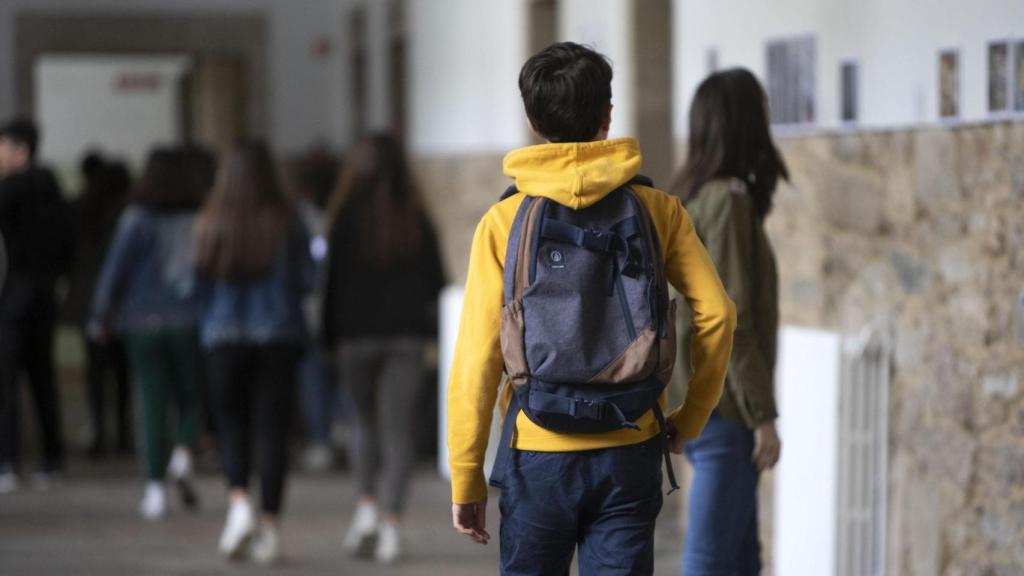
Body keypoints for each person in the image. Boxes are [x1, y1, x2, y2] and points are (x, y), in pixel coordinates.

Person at [447, 42, 736, 575]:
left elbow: (476, 359)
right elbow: (718, 313)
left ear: (533, 121)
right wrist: (689, 418)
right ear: (607, 115)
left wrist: (467, 474)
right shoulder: (658, 209)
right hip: (631, 445)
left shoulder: (504, 221)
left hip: (537, 448)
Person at [671, 68, 786, 576]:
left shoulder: (695, 197)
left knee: (742, 560)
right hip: (726, 411)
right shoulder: (730, 200)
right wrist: (763, 414)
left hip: (699, 404)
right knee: (712, 560)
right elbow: (730, 318)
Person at [323, 133, 445, 564]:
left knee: (363, 424)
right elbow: (437, 280)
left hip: (354, 340)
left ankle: (365, 510)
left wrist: (327, 340)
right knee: (398, 434)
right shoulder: (416, 218)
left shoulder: (343, 220)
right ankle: (392, 525)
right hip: (406, 340)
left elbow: (330, 287)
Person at [195, 141, 312, 565]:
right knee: (271, 432)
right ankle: (271, 529)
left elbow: (197, 286)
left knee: (231, 426)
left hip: (222, 340)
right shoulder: (287, 219)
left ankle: (239, 505)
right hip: (278, 338)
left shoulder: (210, 219)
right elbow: (306, 280)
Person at [90, 148, 204, 520]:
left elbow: (114, 271)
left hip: (142, 323)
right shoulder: (199, 217)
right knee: (193, 397)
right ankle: (184, 454)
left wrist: (100, 315)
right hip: (189, 319)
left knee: (152, 404)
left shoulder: (136, 218)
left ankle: (154, 490)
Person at [0, 118, 74, 493]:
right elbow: (68, 241)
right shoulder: (54, 188)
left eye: (3, 147)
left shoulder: (11, 188)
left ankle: (8, 462)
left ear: (21, 150)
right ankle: (51, 460)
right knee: (43, 377)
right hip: (46, 292)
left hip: (15, 292)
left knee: (7, 379)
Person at [66, 153, 133, 458]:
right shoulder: (126, 212)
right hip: (123, 300)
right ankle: (121, 435)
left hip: (89, 299)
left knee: (96, 371)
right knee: (121, 372)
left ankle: (100, 434)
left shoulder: (80, 207)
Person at [292, 149, 345, 473]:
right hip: (344, 309)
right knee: (341, 377)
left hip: (310, 308)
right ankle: (341, 427)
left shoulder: (299, 217)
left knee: (313, 375)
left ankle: (322, 438)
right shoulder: (346, 212)